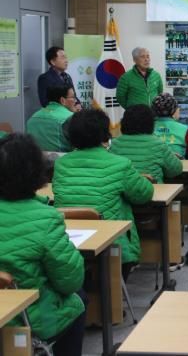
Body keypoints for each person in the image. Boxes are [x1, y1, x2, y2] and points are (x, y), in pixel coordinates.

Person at [0, 133, 87, 355]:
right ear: (37, 171)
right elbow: (71, 281)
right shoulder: (47, 218)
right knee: (78, 300)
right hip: (27, 321)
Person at [53, 109, 154, 277]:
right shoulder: (120, 164)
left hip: (66, 242)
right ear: (104, 134)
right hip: (110, 243)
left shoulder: (61, 164)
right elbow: (144, 194)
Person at [110, 105, 183, 184]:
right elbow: (175, 170)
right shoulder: (158, 144)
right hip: (154, 189)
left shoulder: (114, 144)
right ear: (151, 123)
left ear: (124, 122)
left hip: (121, 190)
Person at [26, 83, 76, 152]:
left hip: (37, 158)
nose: (75, 101)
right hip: (64, 158)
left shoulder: (32, 118)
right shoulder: (71, 118)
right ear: (62, 100)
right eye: (73, 97)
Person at [152, 93, 188, 158]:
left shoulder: (148, 128)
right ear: (173, 110)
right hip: (177, 162)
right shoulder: (183, 129)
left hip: (154, 162)